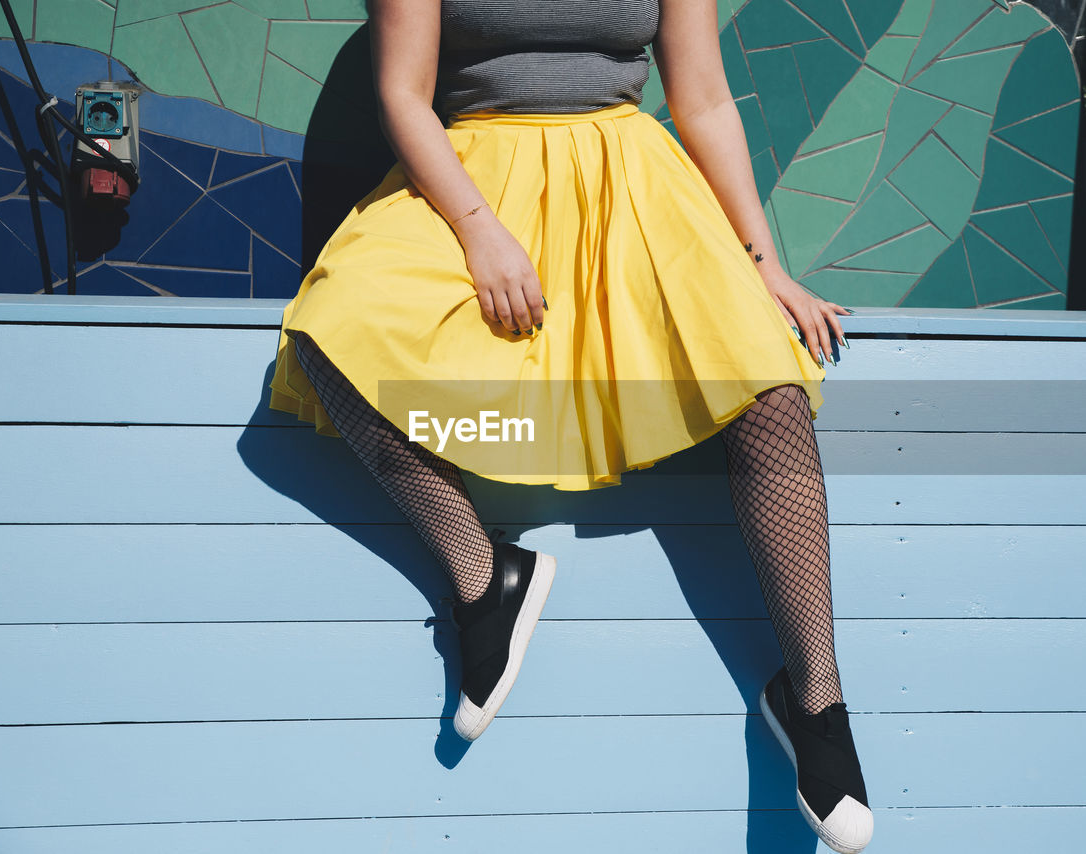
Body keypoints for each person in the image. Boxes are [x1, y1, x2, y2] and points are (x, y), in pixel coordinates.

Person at [267, 1, 871, 851]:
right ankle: (487, 580)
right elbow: (403, 95)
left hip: (633, 177)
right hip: (473, 175)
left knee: (769, 387)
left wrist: (763, 262)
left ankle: (815, 699)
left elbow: (700, 99)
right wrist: (480, 234)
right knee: (335, 334)